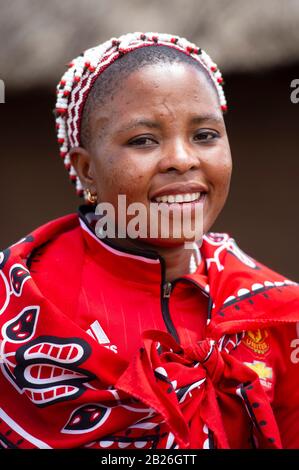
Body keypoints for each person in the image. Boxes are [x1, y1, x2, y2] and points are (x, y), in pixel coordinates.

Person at [0, 32, 298, 450]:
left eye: (206, 135)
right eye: (143, 140)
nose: (182, 158)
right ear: (87, 170)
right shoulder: (20, 301)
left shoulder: (279, 315)